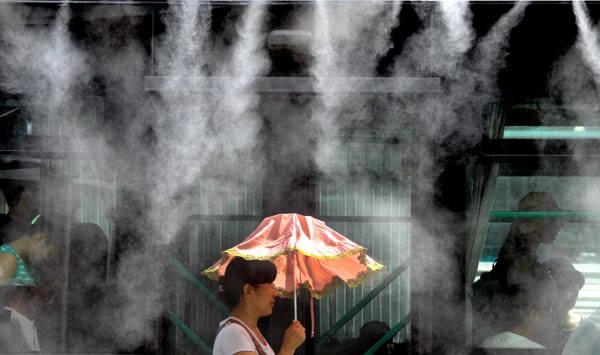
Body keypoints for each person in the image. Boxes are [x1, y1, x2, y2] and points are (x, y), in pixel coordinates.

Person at [472, 191, 568, 344]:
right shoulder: (521, 265)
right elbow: (519, 315)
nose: (559, 226)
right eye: (553, 220)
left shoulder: (524, 261)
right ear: (538, 224)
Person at [212, 257, 306, 355]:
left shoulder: (250, 330)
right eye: (270, 285)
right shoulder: (234, 333)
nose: (275, 293)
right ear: (249, 291)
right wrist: (288, 348)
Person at [0, 217, 58, 353]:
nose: (46, 259)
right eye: (48, 254)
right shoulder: (8, 259)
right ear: (39, 237)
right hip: (12, 335)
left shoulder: (25, 259)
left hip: (21, 330)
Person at [480, 261, 558, 350]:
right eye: (549, 309)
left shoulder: (486, 344)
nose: (551, 316)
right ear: (534, 315)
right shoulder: (537, 351)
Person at [544, 256, 585, 351]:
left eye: (575, 285)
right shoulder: (531, 327)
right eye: (564, 287)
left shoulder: (585, 328)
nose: (571, 293)